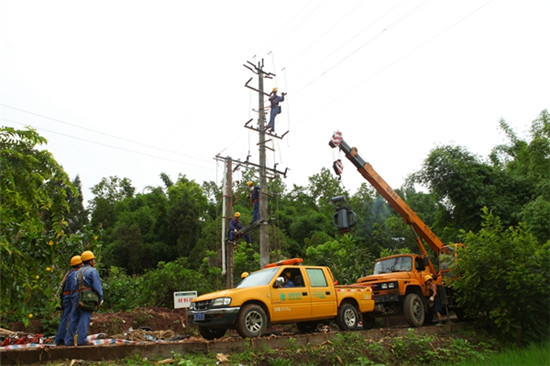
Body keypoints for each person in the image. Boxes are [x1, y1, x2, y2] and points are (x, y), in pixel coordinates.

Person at [65, 250, 103, 346]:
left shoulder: (77, 272)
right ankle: (81, 340)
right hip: (87, 297)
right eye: (93, 260)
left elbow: (73, 286)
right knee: (84, 317)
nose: (94, 262)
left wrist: (74, 298)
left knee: (73, 318)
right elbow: (97, 286)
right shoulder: (92, 271)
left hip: (76, 296)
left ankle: (69, 341)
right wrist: (100, 298)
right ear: (90, 261)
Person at [54, 255, 82, 346]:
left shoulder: (69, 273)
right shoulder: (75, 274)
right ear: (79, 265)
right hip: (70, 297)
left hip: (66, 297)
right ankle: (63, 338)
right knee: (69, 318)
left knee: (65, 317)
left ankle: (61, 338)